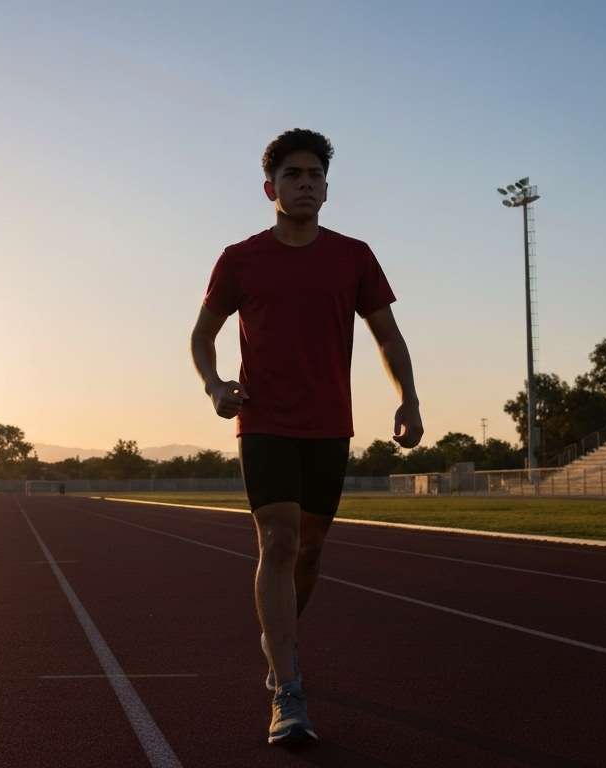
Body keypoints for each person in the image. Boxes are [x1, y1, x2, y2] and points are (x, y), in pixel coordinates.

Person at [189, 128, 424, 746]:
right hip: (264, 421)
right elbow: (201, 335)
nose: (305, 184)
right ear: (271, 188)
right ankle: (287, 687)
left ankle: (278, 638)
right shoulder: (240, 259)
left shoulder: (354, 256)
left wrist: (409, 398)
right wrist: (215, 385)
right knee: (279, 538)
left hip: (330, 425)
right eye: (293, 175)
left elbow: (387, 335)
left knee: (311, 549)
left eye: (315, 175)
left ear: (327, 187)